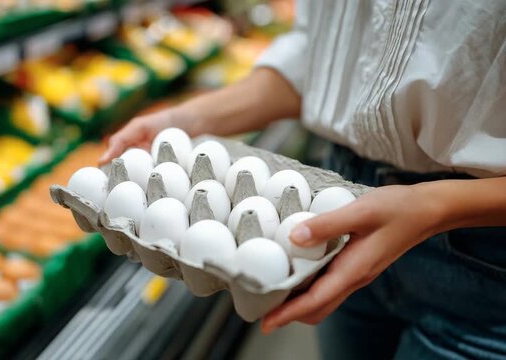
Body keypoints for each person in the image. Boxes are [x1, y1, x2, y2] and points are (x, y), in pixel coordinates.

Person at [100, 1, 506, 358]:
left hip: (483, 267)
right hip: (342, 217)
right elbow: (319, 65)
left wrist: (433, 207)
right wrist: (183, 120)